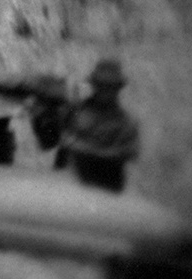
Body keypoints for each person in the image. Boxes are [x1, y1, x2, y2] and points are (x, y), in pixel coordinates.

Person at [58, 58, 139, 192]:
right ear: (94, 85)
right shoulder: (76, 112)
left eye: (110, 87)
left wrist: (89, 149)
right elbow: (63, 140)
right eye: (101, 85)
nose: (105, 91)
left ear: (118, 88)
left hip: (109, 186)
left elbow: (129, 151)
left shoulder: (125, 121)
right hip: (75, 183)